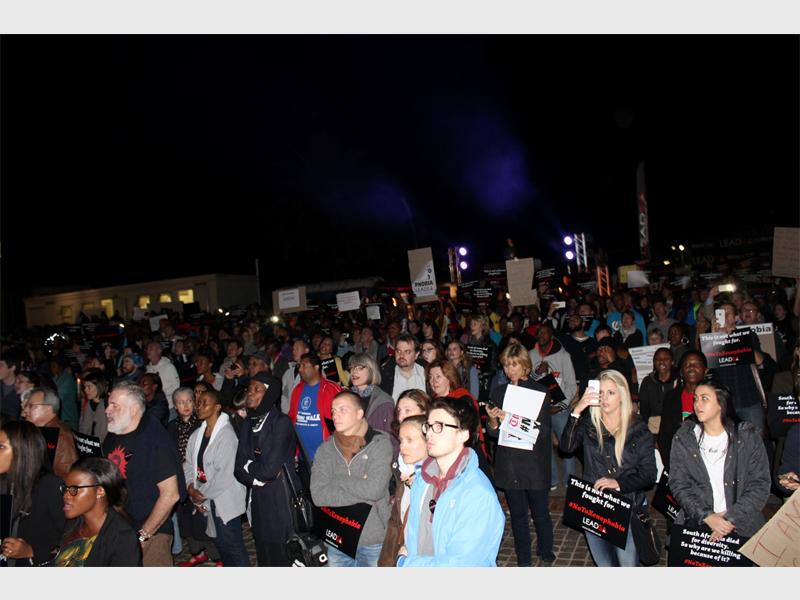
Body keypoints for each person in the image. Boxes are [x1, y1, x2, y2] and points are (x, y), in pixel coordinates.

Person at [560, 369, 657, 567]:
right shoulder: (589, 423)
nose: (604, 398)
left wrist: (618, 483)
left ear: (622, 395)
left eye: (611, 393)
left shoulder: (638, 428)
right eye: (601, 392)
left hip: (626, 506)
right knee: (604, 564)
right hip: (594, 504)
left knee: (627, 565)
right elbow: (566, 447)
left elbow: (649, 474)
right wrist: (577, 410)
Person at [397, 397, 505, 566]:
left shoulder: (477, 495)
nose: (429, 433)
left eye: (439, 426)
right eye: (428, 426)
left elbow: (461, 565)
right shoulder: (423, 479)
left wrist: (405, 563)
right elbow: (414, 536)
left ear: (463, 434)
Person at [669, 379, 771, 541]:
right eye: (695, 399)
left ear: (721, 404)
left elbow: (760, 483)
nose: (697, 404)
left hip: (742, 524)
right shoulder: (684, 438)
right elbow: (679, 484)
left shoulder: (747, 437)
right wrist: (707, 517)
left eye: (704, 398)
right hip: (697, 523)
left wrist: (729, 519)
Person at [486, 343, 556, 566]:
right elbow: (493, 433)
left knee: (540, 512)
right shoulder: (499, 392)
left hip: (534, 463)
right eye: (506, 365)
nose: (510, 370)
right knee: (517, 516)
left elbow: (544, 431)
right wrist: (493, 420)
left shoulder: (540, 391)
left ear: (525, 365)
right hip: (510, 463)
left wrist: (512, 420)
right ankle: (523, 559)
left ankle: (545, 549)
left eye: (514, 364)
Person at [103, 380, 183, 566]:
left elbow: (170, 495)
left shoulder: (155, 439)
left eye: (114, 405)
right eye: (108, 404)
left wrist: (144, 536)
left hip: (151, 530)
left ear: (133, 409)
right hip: (122, 525)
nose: (107, 410)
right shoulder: (115, 432)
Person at [310, 391, 393, 567]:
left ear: (359, 413)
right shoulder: (326, 449)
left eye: (342, 409)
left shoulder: (380, 444)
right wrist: (362, 489)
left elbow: (374, 490)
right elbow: (318, 495)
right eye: (333, 411)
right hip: (337, 538)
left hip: (372, 539)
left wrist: (338, 480)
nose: (335, 415)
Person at [234, 371, 297, 566]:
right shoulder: (248, 423)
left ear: (270, 393)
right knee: (263, 551)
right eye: (249, 389)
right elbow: (238, 468)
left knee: (281, 554)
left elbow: (268, 470)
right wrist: (255, 478)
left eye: (256, 389)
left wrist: (250, 466)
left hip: (280, 499)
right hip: (258, 498)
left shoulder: (281, 422)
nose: (250, 393)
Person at [184, 388, 249, 566]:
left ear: (217, 407)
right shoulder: (196, 435)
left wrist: (200, 495)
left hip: (223, 498)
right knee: (221, 546)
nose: (199, 406)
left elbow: (225, 475)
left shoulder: (226, 435)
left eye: (205, 403)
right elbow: (188, 464)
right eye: (198, 402)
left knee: (233, 546)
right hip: (204, 497)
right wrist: (190, 486)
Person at [0, 421, 68, 566]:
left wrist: (32, 551)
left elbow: (74, 537)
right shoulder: (5, 481)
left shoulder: (50, 486)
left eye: (1, 447)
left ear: (22, 451)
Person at [54, 457, 141, 566]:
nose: (66, 496)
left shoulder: (122, 539)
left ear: (100, 491)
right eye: (66, 488)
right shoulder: (74, 524)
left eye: (74, 489)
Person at [530, 321, 578, 490]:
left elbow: (571, 385)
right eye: (539, 333)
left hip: (559, 408)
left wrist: (562, 406)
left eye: (545, 332)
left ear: (551, 335)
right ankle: (552, 479)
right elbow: (527, 381)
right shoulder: (530, 355)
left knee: (567, 445)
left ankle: (570, 480)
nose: (541, 335)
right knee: (544, 446)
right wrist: (537, 373)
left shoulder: (563, 356)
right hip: (539, 408)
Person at [378, 414, 428, 566]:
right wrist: (387, 560)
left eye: (410, 440)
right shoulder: (403, 471)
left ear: (429, 441)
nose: (402, 447)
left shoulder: (434, 481)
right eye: (401, 440)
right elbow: (396, 522)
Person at [289, 352, 342, 462]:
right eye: (299, 366)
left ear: (316, 367)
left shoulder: (332, 389)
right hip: (302, 455)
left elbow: (343, 422)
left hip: (327, 456)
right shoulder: (297, 390)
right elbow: (292, 417)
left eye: (304, 366)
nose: (300, 369)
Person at [23, 386, 79, 480]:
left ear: (48, 408)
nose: (25, 410)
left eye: (31, 406)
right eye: (26, 406)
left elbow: (68, 476)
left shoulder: (61, 436)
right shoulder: (41, 430)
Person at [348, 352, 396, 444]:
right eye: (352, 367)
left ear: (371, 370)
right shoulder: (345, 398)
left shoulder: (384, 401)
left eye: (360, 368)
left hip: (376, 450)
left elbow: (392, 438)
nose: (354, 372)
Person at [637, 348, 679, 436]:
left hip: (675, 429)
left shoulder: (679, 381)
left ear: (672, 362)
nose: (661, 362)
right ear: (654, 362)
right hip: (653, 429)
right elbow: (644, 411)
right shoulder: (647, 381)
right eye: (658, 359)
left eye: (666, 359)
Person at [379, 333, 427, 401]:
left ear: (416, 354)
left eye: (407, 352)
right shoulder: (384, 375)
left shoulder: (427, 373)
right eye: (398, 351)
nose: (401, 355)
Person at [144, 341, 180, 419]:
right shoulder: (148, 368)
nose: (148, 351)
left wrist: (159, 394)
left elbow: (176, 387)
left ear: (159, 351)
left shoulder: (168, 367)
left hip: (168, 407)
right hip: (153, 407)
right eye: (147, 349)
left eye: (151, 348)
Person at [78, 369, 110, 443]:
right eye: (85, 387)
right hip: (89, 445)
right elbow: (83, 427)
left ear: (99, 387)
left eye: (89, 387)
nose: (85, 390)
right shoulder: (89, 404)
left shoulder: (107, 405)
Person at [49, 354, 79, 431]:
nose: (51, 368)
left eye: (54, 366)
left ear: (60, 367)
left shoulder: (68, 380)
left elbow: (57, 398)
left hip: (68, 419)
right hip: (61, 418)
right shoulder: (55, 378)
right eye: (51, 366)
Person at [280, 339, 310, 414]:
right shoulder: (288, 373)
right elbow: (284, 395)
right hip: (288, 415)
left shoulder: (314, 371)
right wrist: (285, 413)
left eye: (297, 349)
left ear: (306, 350)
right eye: (293, 349)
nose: (294, 352)